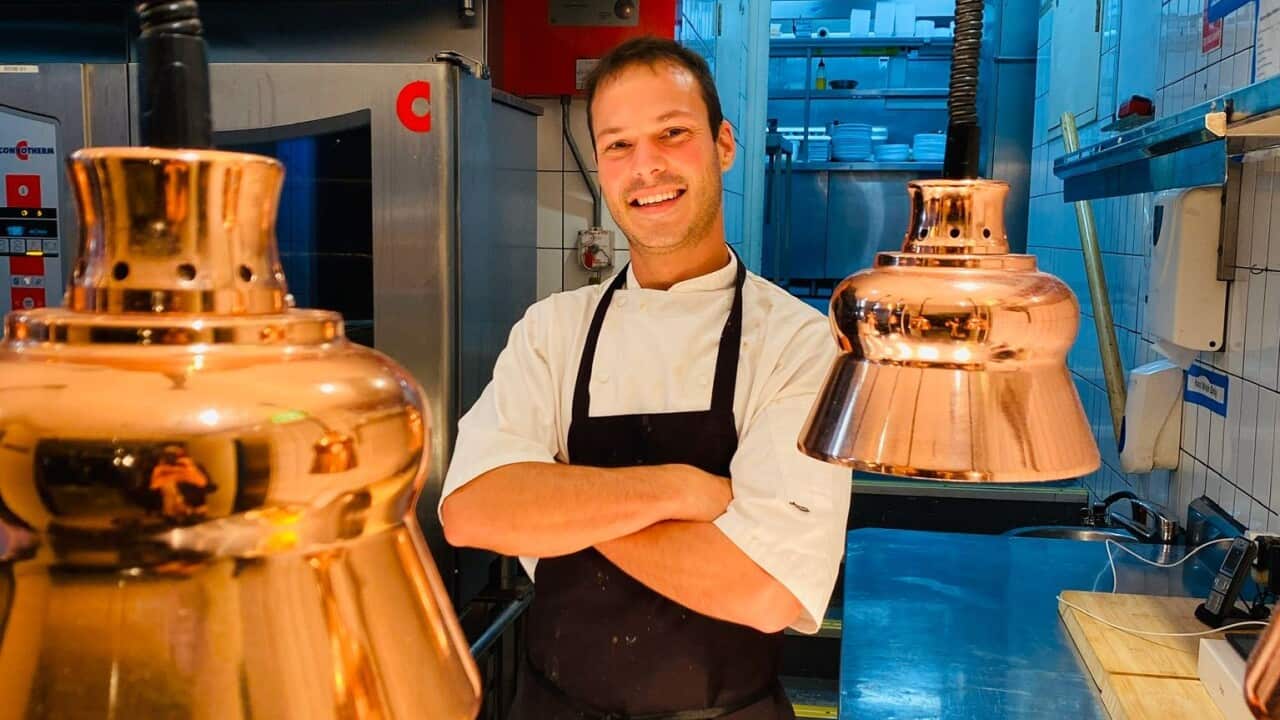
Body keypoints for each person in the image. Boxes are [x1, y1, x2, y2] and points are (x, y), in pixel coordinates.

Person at [440, 36, 850, 720]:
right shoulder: (554, 329)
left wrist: (557, 508)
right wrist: (681, 490)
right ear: (599, 166)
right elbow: (470, 511)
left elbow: (765, 590)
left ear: (724, 145)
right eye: (619, 145)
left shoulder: (799, 345)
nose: (646, 166)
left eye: (672, 133)